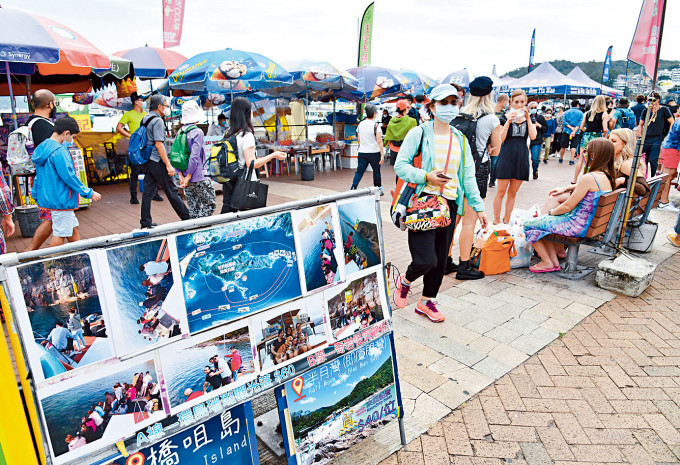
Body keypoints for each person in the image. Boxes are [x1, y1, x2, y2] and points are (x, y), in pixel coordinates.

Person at [393, 84, 488, 323]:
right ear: (432, 106)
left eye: (453, 103)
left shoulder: (460, 139)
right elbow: (400, 166)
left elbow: (468, 177)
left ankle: (426, 302)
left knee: (440, 260)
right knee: (426, 260)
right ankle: (405, 280)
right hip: (424, 203)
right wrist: (426, 176)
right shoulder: (420, 133)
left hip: (450, 204)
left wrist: (479, 207)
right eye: (443, 103)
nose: (449, 107)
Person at [524, 138, 614, 272]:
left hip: (575, 226)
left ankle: (547, 262)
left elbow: (567, 206)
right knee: (542, 224)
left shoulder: (589, 177)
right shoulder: (608, 176)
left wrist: (551, 214)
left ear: (595, 155)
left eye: (586, 152)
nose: (584, 155)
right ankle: (553, 262)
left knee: (529, 224)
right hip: (587, 224)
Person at [445, 76, 501, 280]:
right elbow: (495, 151)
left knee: (453, 219)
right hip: (476, 173)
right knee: (469, 222)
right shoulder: (491, 119)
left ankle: (445, 260)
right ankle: (464, 266)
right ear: (489, 94)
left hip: (455, 172)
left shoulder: (458, 115)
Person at [32, 117, 102, 247]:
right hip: (62, 199)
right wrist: (88, 192)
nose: (72, 140)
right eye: (73, 136)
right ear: (66, 133)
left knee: (71, 228)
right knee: (60, 233)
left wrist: (36, 195)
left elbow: (38, 177)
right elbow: (69, 176)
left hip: (51, 198)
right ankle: (53, 262)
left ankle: (79, 253)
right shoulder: (59, 152)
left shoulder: (43, 147)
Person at [220, 97, 286, 213]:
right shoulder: (246, 135)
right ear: (246, 113)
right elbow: (251, 163)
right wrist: (273, 155)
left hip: (230, 180)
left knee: (227, 215)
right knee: (252, 217)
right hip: (246, 182)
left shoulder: (229, 133)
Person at [139, 95, 190, 229]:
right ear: (159, 106)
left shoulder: (145, 119)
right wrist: (168, 164)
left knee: (148, 191)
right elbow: (159, 144)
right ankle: (187, 218)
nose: (167, 108)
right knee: (171, 190)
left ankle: (145, 222)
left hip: (147, 160)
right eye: (166, 106)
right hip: (157, 160)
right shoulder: (158, 121)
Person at [493, 89, 537, 224]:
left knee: (512, 193)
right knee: (500, 192)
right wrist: (508, 121)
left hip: (521, 156)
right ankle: (496, 220)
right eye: (516, 102)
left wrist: (528, 118)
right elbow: (500, 139)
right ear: (511, 102)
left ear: (526, 102)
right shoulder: (503, 117)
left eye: (522, 102)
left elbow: (533, 136)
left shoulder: (530, 118)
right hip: (506, 155)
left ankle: (506, 221)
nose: (519, 104)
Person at [25, 90, 57, 252]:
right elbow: (50, 155)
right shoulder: (44, 126)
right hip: (48, 179)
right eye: (54, 102)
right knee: (54, 218)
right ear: (49, 104)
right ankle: (29, 253)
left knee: (63, 220)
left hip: (39, 177)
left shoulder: (29, 123)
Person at [177, 100, 217, 219]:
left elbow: (176, 156)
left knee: (193, 208)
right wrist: (189, 176)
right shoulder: (197, 132)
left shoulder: (180, 132)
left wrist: (182, 177)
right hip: (198, 176)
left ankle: (193, 231)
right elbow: (194, 157)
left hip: (185, 177)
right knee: (210, 204)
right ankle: (199, 228)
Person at [116, 92, 153, 204]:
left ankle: (153, 194)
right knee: (135, 172)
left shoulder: (146, 114)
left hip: (146, 145)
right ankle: (133, 196)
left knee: (150, 170)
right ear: (136, 102)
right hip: (135, 146)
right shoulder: (128, 114)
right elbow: (119, 127)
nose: (144, 102)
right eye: (142, 100)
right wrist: (131, 136)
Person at [573, 95, 610, 184]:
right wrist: (604, 136)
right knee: (593, 160)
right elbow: (605, 129)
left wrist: (588, 131)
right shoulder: (604, 114)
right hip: (597, 137)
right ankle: (588, 179)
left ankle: (574, 179)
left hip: (586, 136)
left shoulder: (587, 113)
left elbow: (581, 127)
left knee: (581, 159)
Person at [638, 92, 675, 177]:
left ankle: (653, 176)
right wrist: (640, 136)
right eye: (649, 100)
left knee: (653, 159)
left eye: (653, 100)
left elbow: (672, 122)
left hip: (657, 137)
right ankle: (644, 176)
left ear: (658, 100)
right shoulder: (646, 110)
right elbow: (640, 124)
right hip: (646, 137)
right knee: (644, 159)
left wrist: (668, 136)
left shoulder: (664, 109)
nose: (651, 102)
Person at [351, 104, 384, 194]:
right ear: (374, 114)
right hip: (374, 152)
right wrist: (382, 154)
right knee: (376, 171)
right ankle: (378, 190)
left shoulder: (360, 124)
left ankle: (353, 187)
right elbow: (379, 141)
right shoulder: (376, 125)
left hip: (362, 152)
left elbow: (359, 140)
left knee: (359, 172)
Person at [383, 100, 416, 165]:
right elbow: (414, 137)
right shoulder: (412, 121)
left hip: (393, 149)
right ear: (406, 109)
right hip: (406, 150)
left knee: (397, 170)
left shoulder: (391, 121)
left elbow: (388, 137)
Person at [658, 116, 680, 212]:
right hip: (672, 148)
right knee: (668, 176)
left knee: (669, 175)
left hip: (673, 147)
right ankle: (663, 202)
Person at [489, 94, 509, 188]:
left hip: (499, 140)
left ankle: (492, 180)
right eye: (507, 101)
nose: (507, 104)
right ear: (503, 101)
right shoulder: (490, 111)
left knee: (495, 161)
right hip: (488, 139)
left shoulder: (504, 114)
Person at [560, 100, 584, 165]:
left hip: (566, 131)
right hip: (576, 132)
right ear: (577, 105)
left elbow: (564, 121)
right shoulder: (580, 113)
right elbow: (580, 123)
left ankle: (561, 158)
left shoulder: (566, 112)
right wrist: (574, 130)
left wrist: (570, 127)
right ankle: (571, 160)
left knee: (563, 146)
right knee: (573, 146)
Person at [528, 101, 548, 179]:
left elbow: (545, 129)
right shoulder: (526, 117)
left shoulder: (540, 117)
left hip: (536, 140)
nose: (533, 109)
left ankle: (535, 171)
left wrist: (539, 125)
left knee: (535, 158)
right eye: (531, 108)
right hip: (526, 140)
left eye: (535, 108)